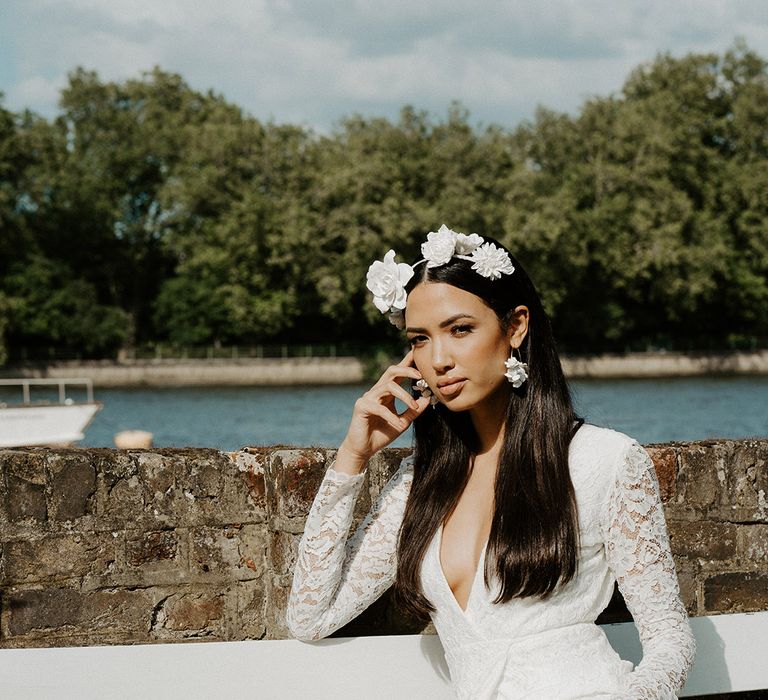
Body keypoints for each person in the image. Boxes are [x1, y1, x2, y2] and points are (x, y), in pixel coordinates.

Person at [286, 225, 696, 699]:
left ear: (516, 326)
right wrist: (352, 457)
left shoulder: (604, 460)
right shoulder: (420, 480)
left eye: (460, 329)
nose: (438, 359)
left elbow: (670, 639)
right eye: (420, 339)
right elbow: (310, 618)